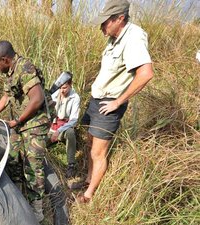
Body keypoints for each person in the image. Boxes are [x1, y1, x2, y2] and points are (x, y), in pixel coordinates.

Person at [73, 0, 154, 203]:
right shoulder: (114, 37)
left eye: (106, 22)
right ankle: (89, 179)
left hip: (109, 103)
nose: (102, 26)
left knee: (98, 152)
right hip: (97, 100)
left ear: (120, 18)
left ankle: (89, 195)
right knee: (91, 143)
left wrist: (118, 102)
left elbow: (145, 73)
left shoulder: (134, 37)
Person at [0, 40, 49, 221]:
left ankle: (37, 210)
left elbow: (37, 98)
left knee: (33, 165)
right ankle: (18, 199)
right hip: (18, 124)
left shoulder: (25, 68)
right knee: (13, 159)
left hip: (34, 124)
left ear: (5, 59)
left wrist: (17, 120)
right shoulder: (10, 72)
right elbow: (7, 96)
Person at [48, 71, 80, 178]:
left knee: (70, 132)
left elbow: (73, 120)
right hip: (52, 126)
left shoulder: (75, 98)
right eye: (61, 87)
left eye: (65, 87)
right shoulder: (55, 94)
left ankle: (71, 164)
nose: (62, 90)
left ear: (70, 85)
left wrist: (59, 131)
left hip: (63, 128)